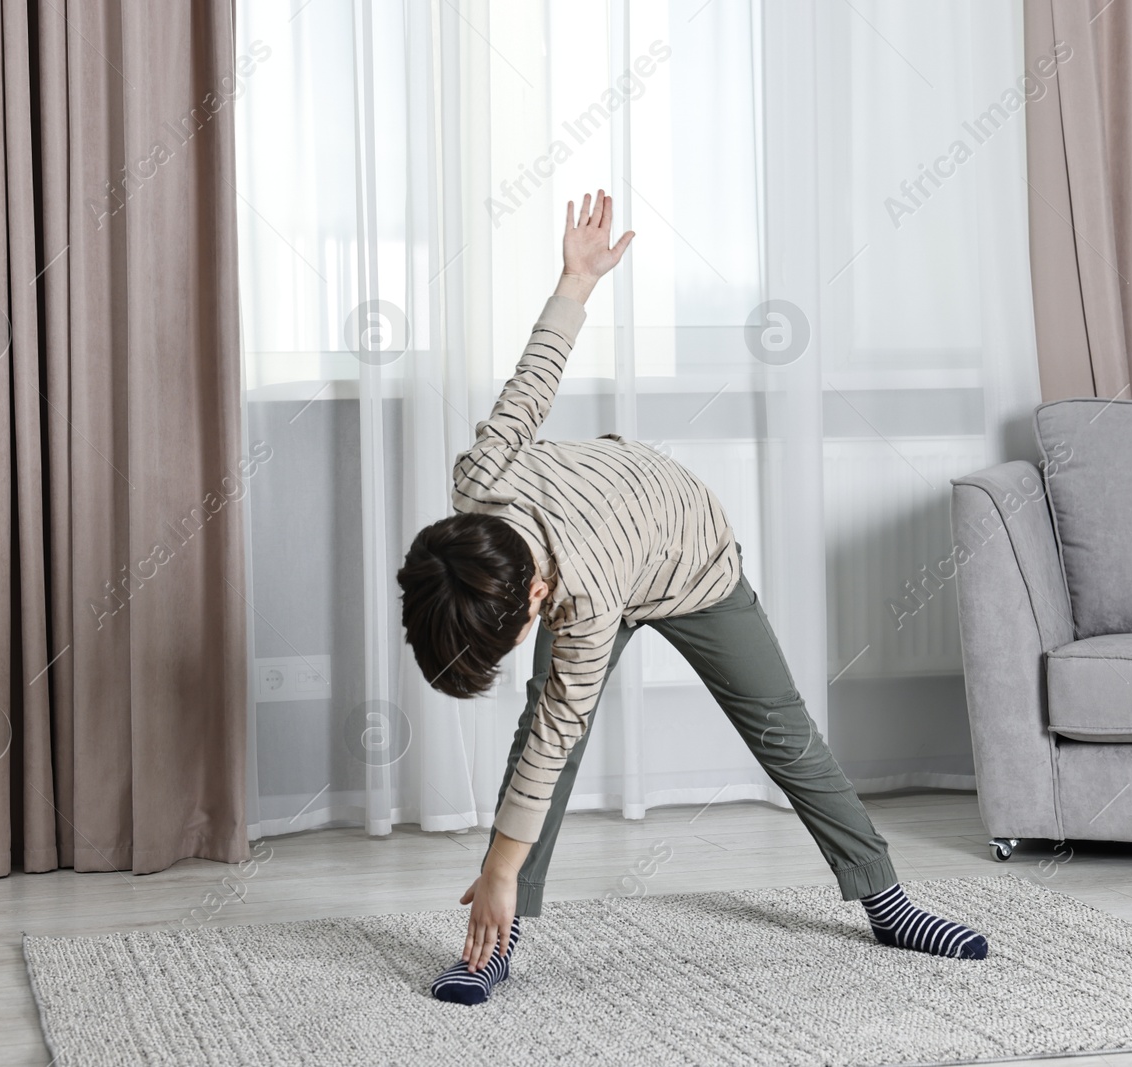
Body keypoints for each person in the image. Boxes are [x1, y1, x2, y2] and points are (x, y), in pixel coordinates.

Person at [395, 189, 988, 1006]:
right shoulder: (479, 480)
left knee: (783, 733)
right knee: (544, 729)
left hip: (687, 555)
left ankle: (885, 898)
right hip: (602, 531)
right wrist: (575, 281)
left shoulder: (588, 599)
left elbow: (555, 735)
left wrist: (494, 864)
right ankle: (500, 937)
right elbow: (535, 378)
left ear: (535, 595)